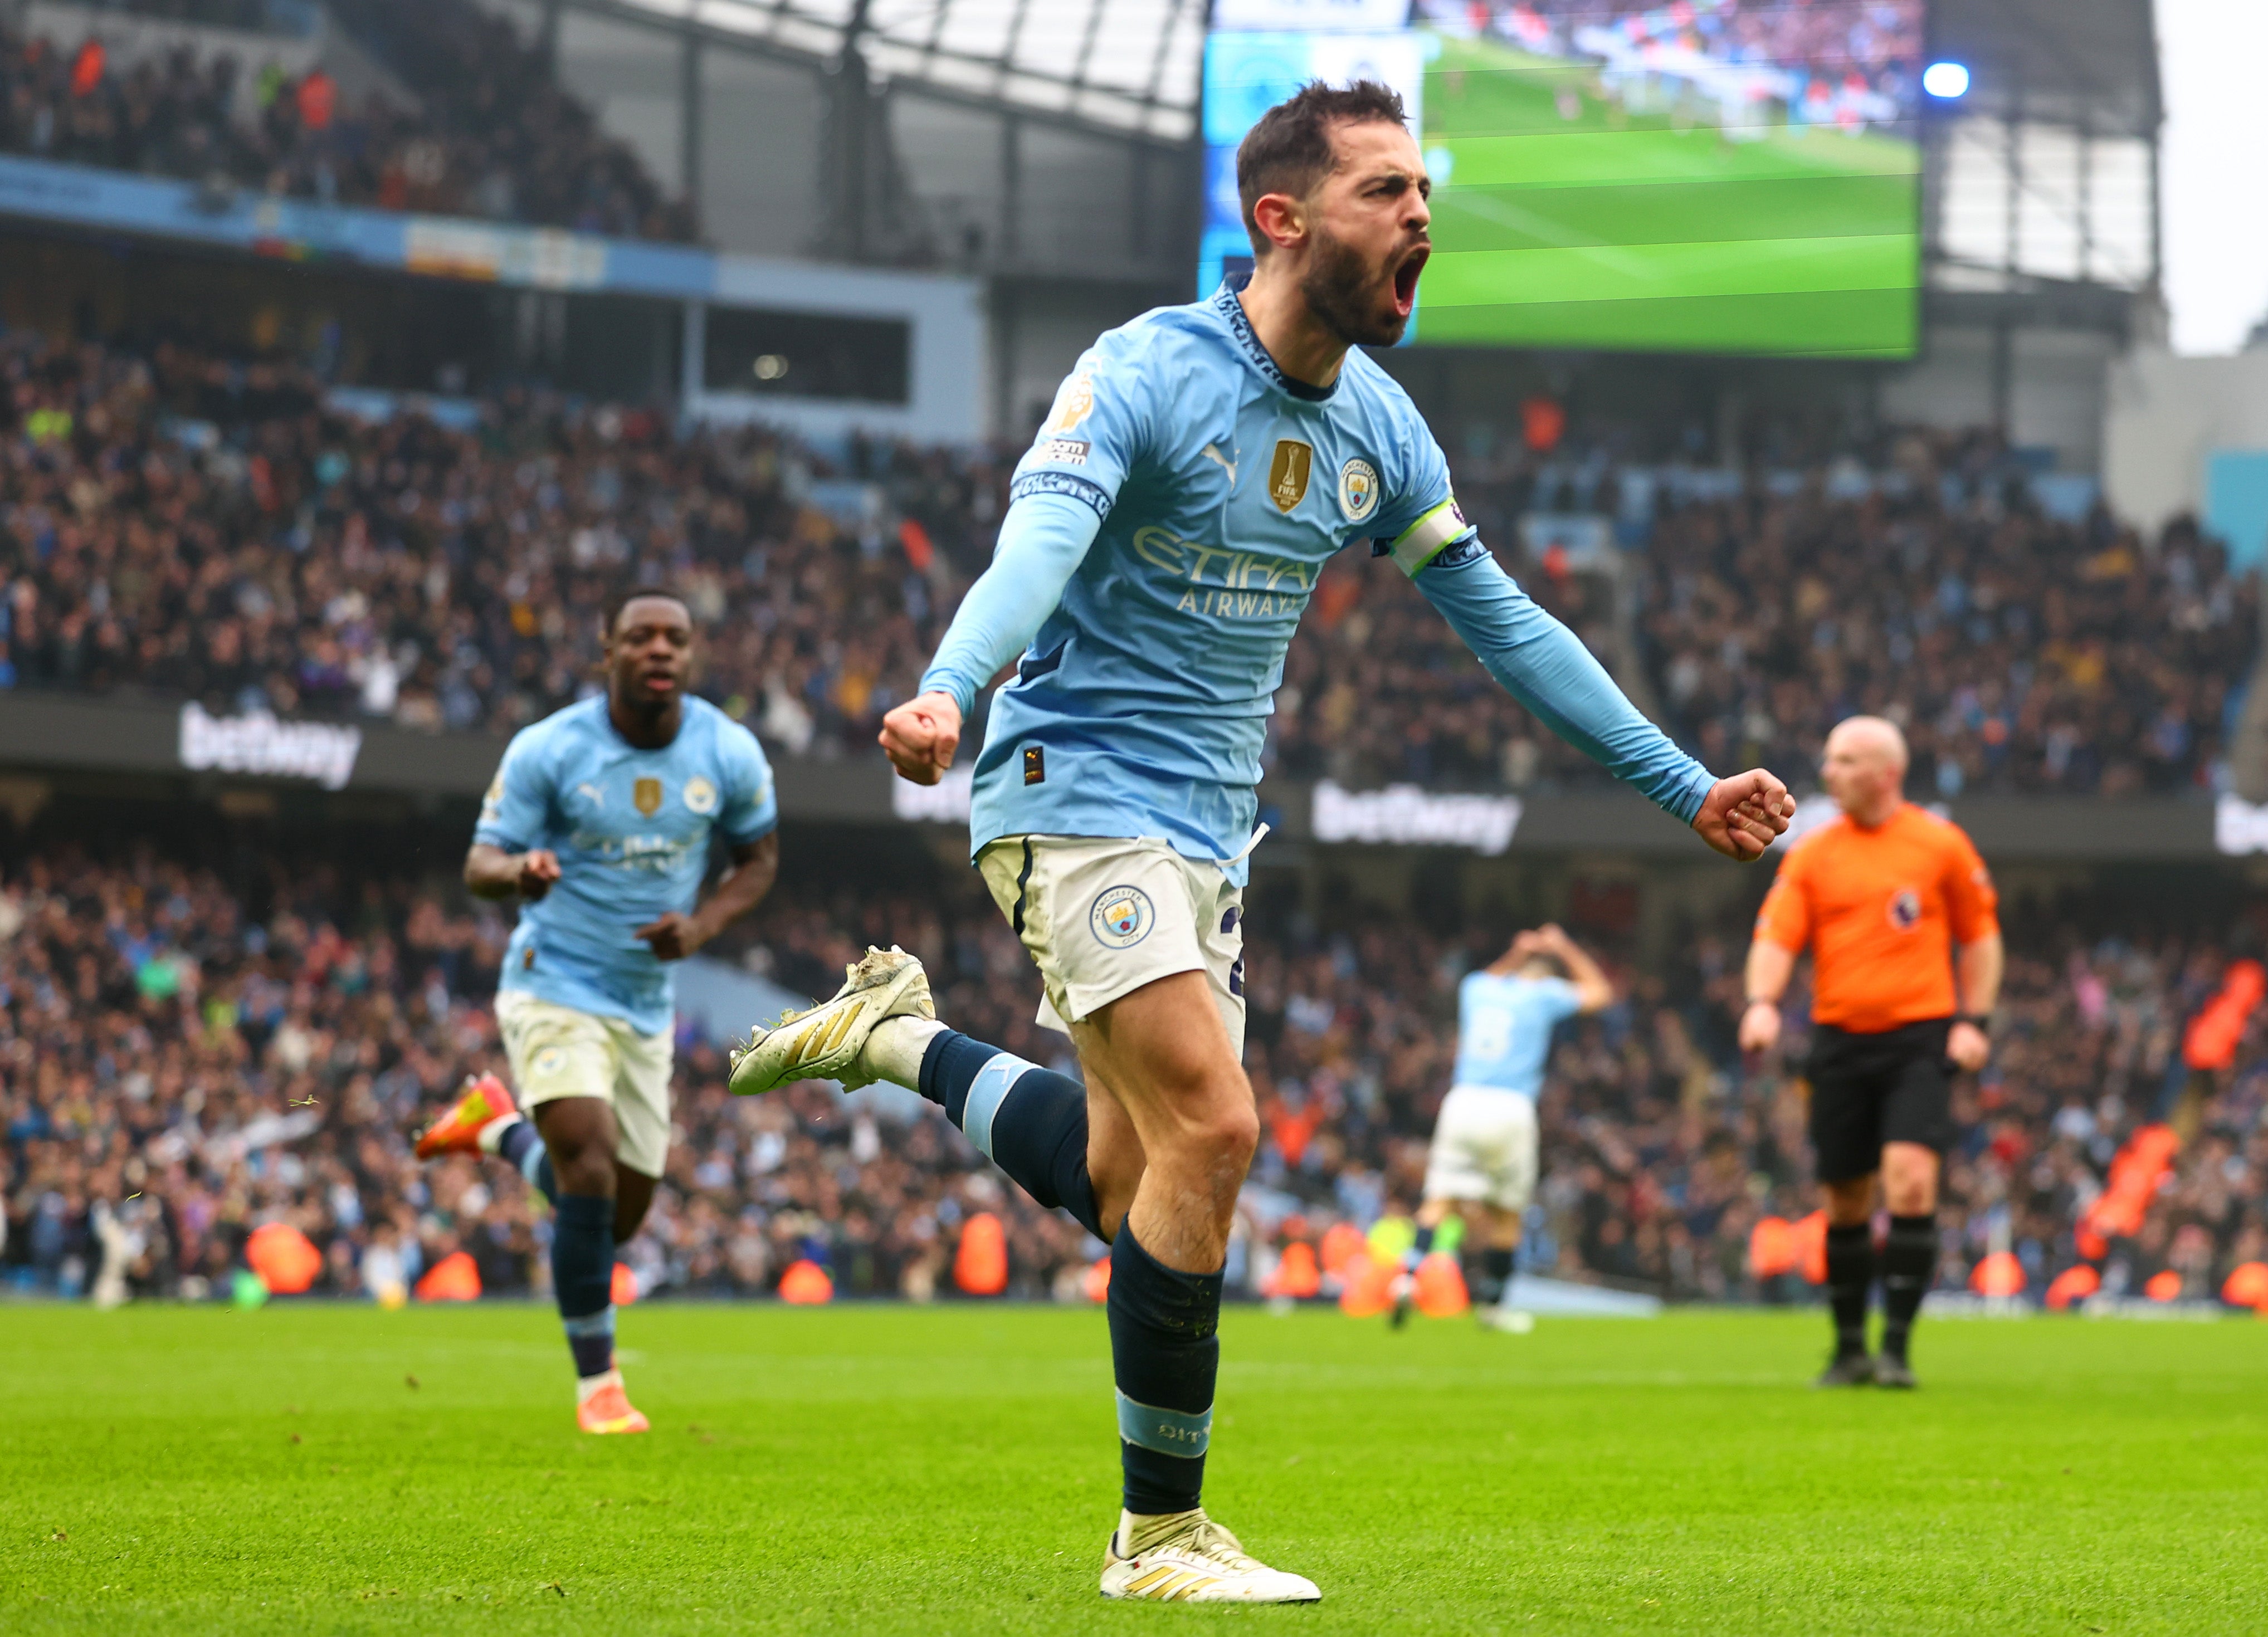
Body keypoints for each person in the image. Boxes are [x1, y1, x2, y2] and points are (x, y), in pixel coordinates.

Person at [728, 80, 1793, 1604]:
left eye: (1424, 189)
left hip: (1212, 830)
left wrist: (1680, 782)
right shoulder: (1145, 371)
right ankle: (1157, 1537)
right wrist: (952, 688)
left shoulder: (1380, 423)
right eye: (1384, 190)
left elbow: (1504, 621)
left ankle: (897, 1044)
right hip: (1075, 782)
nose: (1422, 212)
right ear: (1281, 220)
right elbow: (1038, 541)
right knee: (1216, 1131)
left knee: (1125, 1178)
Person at [414, 588, 777, 1433]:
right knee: (584, 1159)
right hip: (555, 979)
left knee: (618, 1210)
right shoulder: (549, 748)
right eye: (642, 636)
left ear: (692, 655)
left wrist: (703, 924)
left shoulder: (727, 750)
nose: (661, 650)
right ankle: (598, 1385)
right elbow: (479, 862)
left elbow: (758, 859)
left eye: (676, 638)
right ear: (605, 651)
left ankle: (496, 1129)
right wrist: (520, 871)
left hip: (645, 1000)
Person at [1737, 716, 1999, 1389]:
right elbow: (1776, 936)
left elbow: (1979, 936)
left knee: (1912, 1181)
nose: (1828, 772)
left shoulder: (1939, 844)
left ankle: (1898, 1348)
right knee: (1846, 1198)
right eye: (1828, 759)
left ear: (1886, 771)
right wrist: (1763, 1002)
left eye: (1845, 760)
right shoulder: (1814, 854)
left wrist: (1974, 1018)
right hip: (1840, 1041)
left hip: (1918, 1038)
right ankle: (1849, 1344)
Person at [1391, 923, 1613, 1333]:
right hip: (1510, 1106)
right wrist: (1564, 946)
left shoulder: (1479, 988)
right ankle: (1493, 1308)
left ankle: (1407, 1276)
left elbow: (1491, 974)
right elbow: (1601, 993)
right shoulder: (1543, 996)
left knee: (1439, 1199)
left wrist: (1517, 951)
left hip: (1463, 1100)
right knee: (1506, 1212)